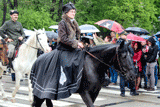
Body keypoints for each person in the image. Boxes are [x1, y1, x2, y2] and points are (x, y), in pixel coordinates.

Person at [31, 2, 85, 106]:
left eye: (74, 11)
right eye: (72, 12)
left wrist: (80, 43)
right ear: (66, 12)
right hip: (64, 49)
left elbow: (77, 37)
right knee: (67, 65)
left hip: (73, 48)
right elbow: (63, 39)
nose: (74, 13)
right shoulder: (62, 23)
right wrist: (76, 43)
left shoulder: (74, 23)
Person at [0, 10, 25, 81]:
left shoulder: (19, 24)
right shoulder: (7, 23)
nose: (16, 16)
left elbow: (23, 33)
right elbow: (0, 30)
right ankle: (9, 66)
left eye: (17, 15)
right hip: (12, 42)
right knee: (10, 52)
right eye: (14, 15)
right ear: (11, 16)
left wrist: (22, 37)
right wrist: (6, 39)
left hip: (20, 41)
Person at [117, 31, 139, 97]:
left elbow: (132, 53)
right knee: (123, 77)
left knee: (131, 76)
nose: (126, 36)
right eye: (125, 35)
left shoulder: (126, 42)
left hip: (128, 61)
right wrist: (128, 44)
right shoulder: (120, 42)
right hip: (123, 62)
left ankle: (132, 90)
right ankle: (123, 91)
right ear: (121, 35)